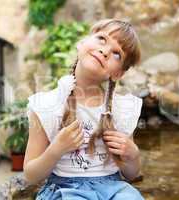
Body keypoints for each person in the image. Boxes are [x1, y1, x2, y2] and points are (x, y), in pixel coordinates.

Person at [24, 18, 144, 200]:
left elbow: (131, 174)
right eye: (102, 39)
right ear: (81, 44)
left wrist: (133, 155)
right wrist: (55, 150)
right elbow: (31, 175)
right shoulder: (47, 106)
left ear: (118, 73)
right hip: (66, 189)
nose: (104, 51)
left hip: (112, 188)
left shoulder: (120, 110)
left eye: (116, 54)